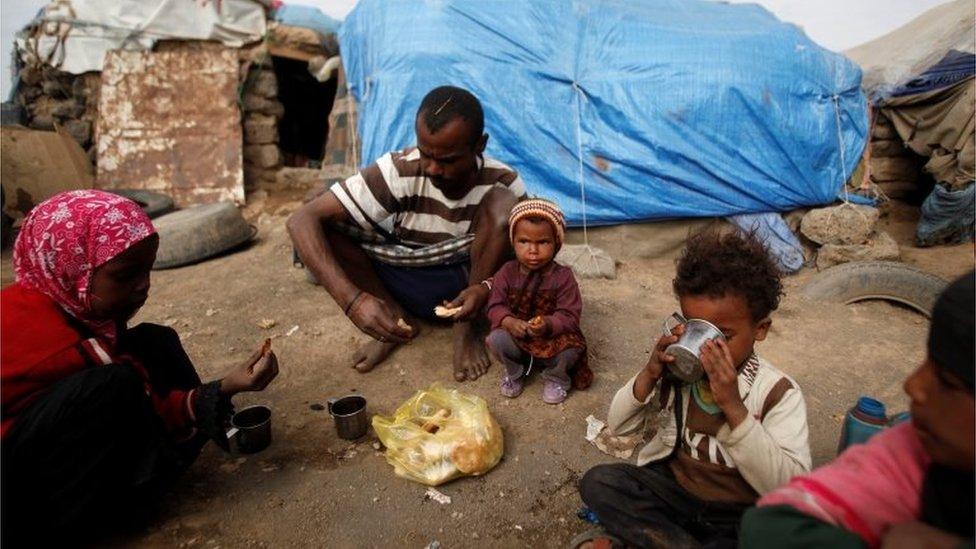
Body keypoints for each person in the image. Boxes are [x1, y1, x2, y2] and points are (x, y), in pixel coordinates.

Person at [0, 190, 279, 543]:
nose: (143, 286)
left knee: (153, 341)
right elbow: (143, 400)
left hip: (25, 425)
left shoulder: (50, 292)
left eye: (147, 270)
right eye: (125, 275)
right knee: (115, 384)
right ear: (75, 267)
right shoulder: (63, 343)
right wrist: (222, 389)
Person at [576, 229, 811, 548]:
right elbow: (620, 425)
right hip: (676, 494)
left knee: (770, 535)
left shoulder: (778, 392)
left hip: (738, 512)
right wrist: (650, 373)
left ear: (760, 329)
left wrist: (734, 408)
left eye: (723, 335)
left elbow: (790, 488)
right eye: (695, 329)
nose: (705, 347)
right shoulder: (680, 373)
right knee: (600, 483)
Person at [288, 85, 525, 381]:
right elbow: (300, 220)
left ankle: (465, 328)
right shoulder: (399, 170)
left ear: (480, 146)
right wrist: (354, 301)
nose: (433, 169)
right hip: (404, 279)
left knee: (506, 207)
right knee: (323, 222)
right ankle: (395, 318)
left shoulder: (504, 180)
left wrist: (488, 290)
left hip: (470, 286)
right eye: (426, 154)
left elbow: (525, 262)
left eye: (448, 159)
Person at [739, 272, 975, 549]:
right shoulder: (913, 451)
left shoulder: (777, 393)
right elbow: (770, 527)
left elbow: (779, 483)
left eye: (948, 382)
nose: (913, 385)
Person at [484, 198, 591, 405]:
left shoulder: (563, 276)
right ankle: (516, 372)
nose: (533, 250)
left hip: (552, 338)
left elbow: (570, 315)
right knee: (495, 339)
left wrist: (548, 324)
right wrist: (508, 321)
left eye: (543, 242)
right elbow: (495, 305)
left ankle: (556, 377)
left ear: (556, 243)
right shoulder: (506, 272)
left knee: (572, 349)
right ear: (513, 242)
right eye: (524, 241)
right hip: (519, 337)